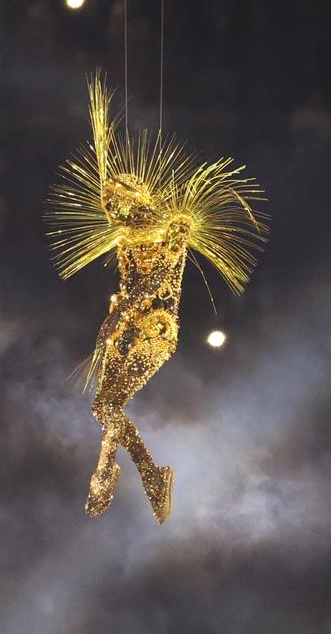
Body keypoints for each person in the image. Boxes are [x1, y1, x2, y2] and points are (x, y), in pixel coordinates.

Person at [46, 76, 267, 523]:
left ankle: (121, 473)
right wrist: (116, 319)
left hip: (154, 330)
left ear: (133, 202)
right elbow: (132, 286)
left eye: (117, 208)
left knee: (106, 405)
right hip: (127, 324)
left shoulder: (171, 233)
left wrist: (122, 316)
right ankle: (134, 473)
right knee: (104, 406)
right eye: (109, 212)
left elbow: (160, 279)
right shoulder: (129, 240)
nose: (113, 217)